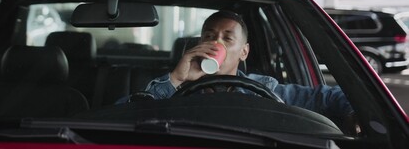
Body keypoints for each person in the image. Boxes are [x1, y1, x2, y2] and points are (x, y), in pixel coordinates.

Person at [119, 10, 358, 134]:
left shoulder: (266, 88)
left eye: (227, 38)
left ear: (244, 52)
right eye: (209, 36)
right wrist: (176, 79)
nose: (216, 43)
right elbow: (120, 114)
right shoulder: (174, 86)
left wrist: (353, 114)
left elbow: (330, 97)